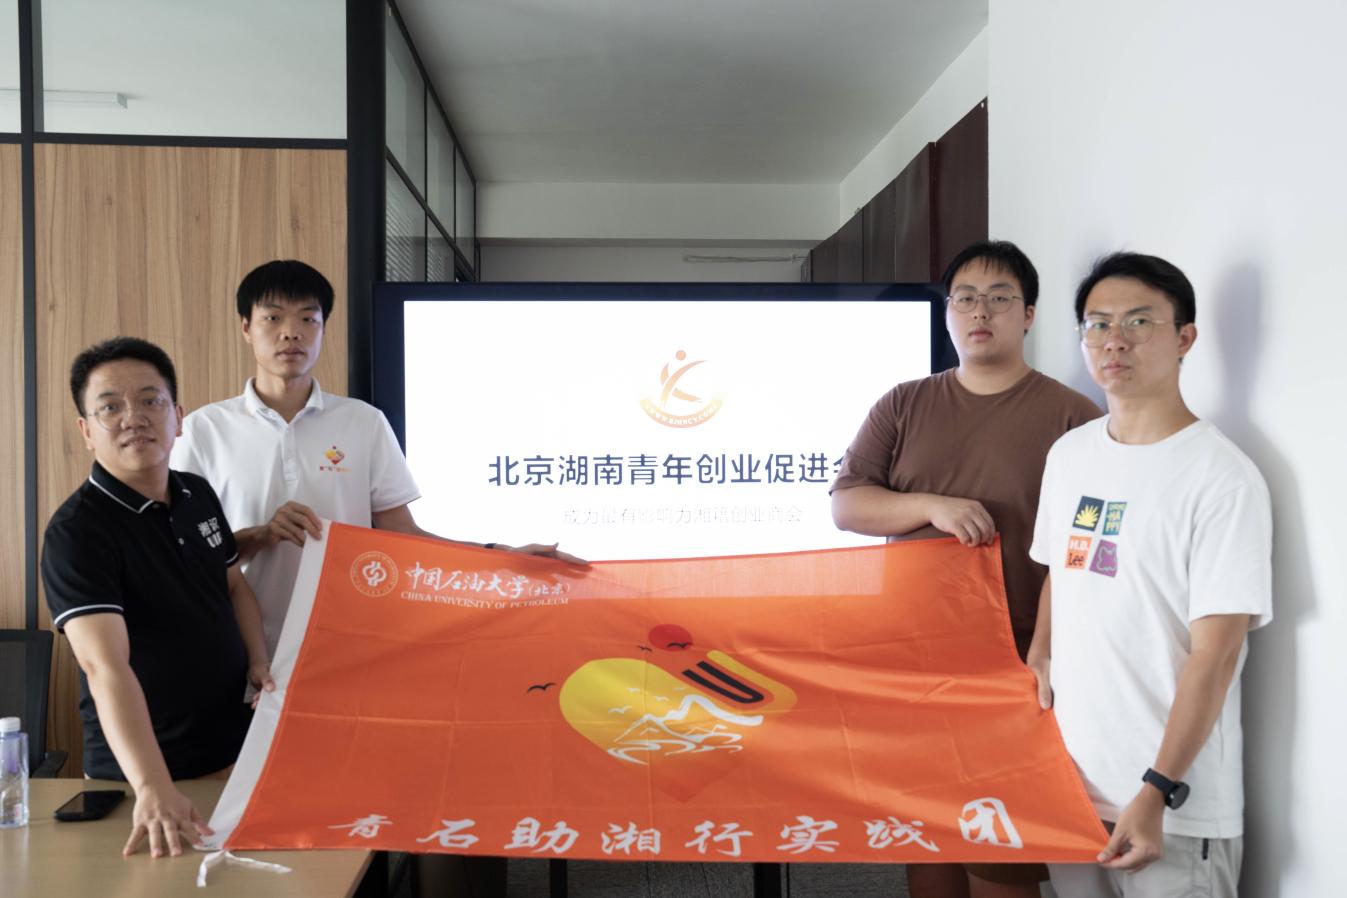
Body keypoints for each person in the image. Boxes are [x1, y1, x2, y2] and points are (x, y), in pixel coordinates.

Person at [831, 240, 1101, 898]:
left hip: (1013, 661)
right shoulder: (903, 404)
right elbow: (846, 505)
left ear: (1028, 315)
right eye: (966, 298)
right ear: (948, 312)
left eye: (1000, 298)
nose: (981, 311)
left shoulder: (1073, 417)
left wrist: (1046, 649)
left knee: (998, 846)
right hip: (913, 657)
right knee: (927, 839)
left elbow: (1086, 550)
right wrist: (930, 506)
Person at [171, 260, 582, 662]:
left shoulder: (363, 422)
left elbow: (403, 536)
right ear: (246, 327)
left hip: (342, 651)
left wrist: (503, 557)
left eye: (308, 319)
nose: (291, 332)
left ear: (323, 329)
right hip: (237, 655)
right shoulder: (203, 431)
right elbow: (180, 557)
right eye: (273, 318)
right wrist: (262, 535)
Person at [1026, 252, 1271, 897]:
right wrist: (1041, 652)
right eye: (1097, 324)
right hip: (1073, 789)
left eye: (1139, 322)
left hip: (1172, 806)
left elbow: (1216, 656)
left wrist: (1157, 789)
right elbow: (1062, 569)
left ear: (1184, 337)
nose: (1115, 340)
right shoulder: (1069, 454)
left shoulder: (1221, 477)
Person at [41, 337, 273, 859]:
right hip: (141, 781)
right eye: (110, 407)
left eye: (151, 400)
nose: (134, 418)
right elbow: (104, 667)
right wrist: (152, 785)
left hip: (231, 753)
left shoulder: (197, 494)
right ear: (86, 430)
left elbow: (233, 584)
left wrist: (258, 661)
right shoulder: (78, 533)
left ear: (178, 417)